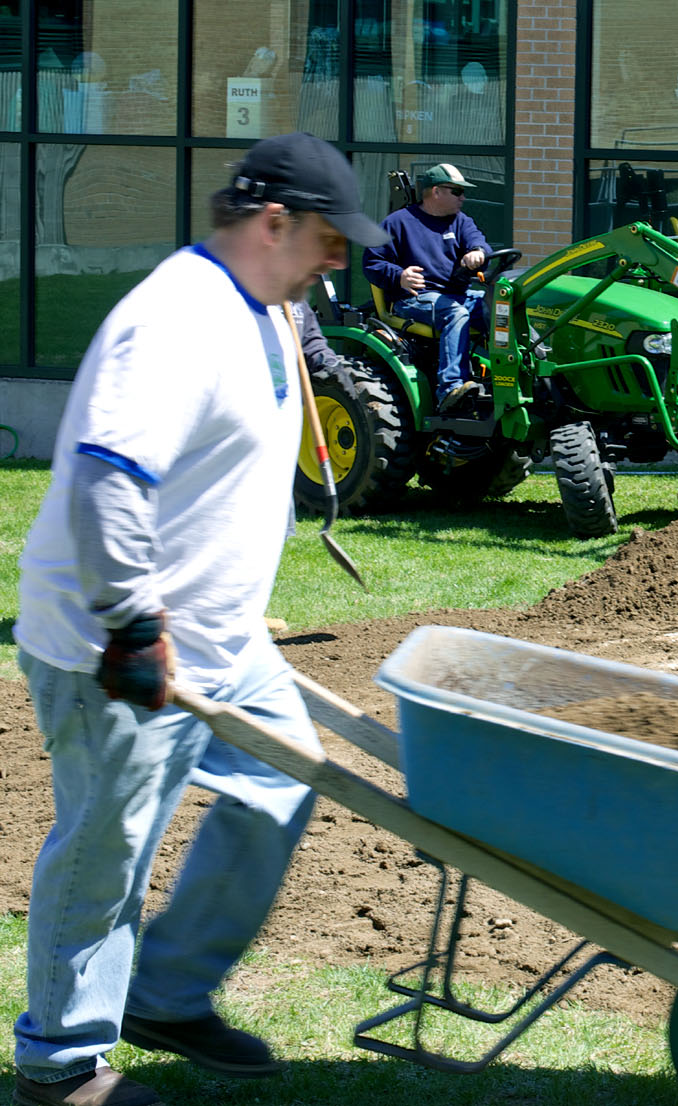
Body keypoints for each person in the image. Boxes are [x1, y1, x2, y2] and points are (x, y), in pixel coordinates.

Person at [12, 131, 384, 1106]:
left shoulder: (261, 303)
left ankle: (166, 991)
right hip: (117, 634)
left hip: (225, 637)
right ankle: (59, 1062)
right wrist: (133, 624)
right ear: (273, 222)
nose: (337, 259)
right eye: (327, 240)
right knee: (107, 849)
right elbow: (105, 482)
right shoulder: (176, 319)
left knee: (281, 781)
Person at [363, 162, 492, 413]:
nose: (463, 197)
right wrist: (399, 275)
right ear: (435, 191)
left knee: (501, 306)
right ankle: (450, 389)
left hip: (456, 295)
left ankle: (532, 370)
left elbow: (479, 242)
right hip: (414, 299)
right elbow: (371, 263)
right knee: (456, 313)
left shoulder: (460, 222)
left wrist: (477, 252)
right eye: (456, 191)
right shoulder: (398, 223)